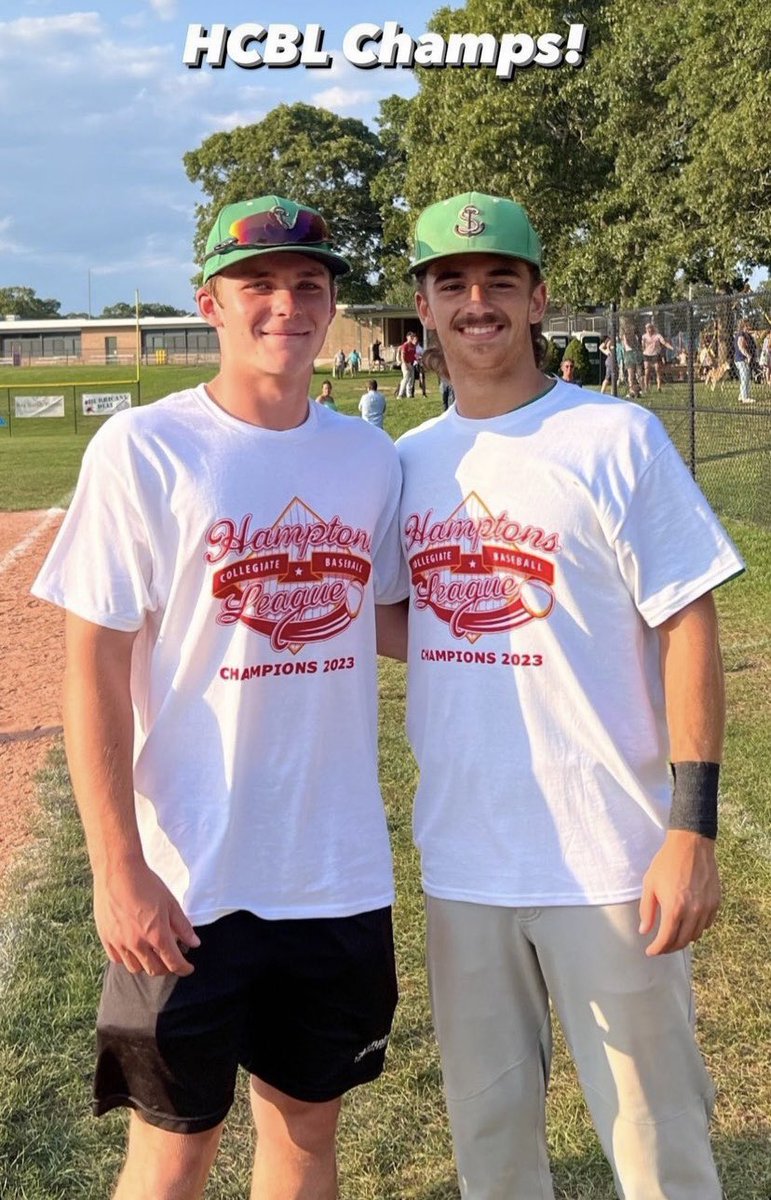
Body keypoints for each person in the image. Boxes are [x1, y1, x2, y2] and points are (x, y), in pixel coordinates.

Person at [32, 194, 407, 1200]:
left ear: (332, 307)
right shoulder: (146, 449)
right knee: (172, 1150)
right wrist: (119, 869)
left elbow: (386, 615)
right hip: (189, 877)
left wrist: (564, 626)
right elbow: (95, 666)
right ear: (213, 302)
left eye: (309, 285)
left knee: (305, 1139)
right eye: (259, 286)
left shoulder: (369, 460)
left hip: (334, 872)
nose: (286, 304)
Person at [379, 190, 743, 1200]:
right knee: (492, 1147)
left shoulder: (613, 436)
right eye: (452, 285)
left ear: (538, 299)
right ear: (425, 309)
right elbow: (394, 615)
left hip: (612, 857)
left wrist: (691, 827)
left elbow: (687, 620)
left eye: (500, 281)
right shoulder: (408, 465)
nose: (477, 303)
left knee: (658, 1145)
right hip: (464, 857)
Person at [641, 322, 674, 393]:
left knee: (657, 370)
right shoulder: (644, 336)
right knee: (647, 371)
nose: (649, 330)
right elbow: (643, 346)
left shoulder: (658, 336)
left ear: (652, 328)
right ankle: (646, 387)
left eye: (650, 328)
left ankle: (659, 387)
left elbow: (664, 342)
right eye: (647, 328)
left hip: (655, 354)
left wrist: (671, 347)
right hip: (647, 355)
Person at [734, 319, 756, 403]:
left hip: (743, 360)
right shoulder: (741, 335)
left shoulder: (746, 335)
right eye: (747, 326)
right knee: (744, 377)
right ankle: (745, 397)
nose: (749, 328)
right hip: (740, 359)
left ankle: (741, 395)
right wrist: (748, 355)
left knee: (746, 376)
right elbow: (740, 347)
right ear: (744, 326)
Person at [396, 331, 418, 398]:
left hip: (411, 364)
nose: (412, 338)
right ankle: (400, 394)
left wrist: (418, 358)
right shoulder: (405, 345)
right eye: (410, 336)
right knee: (405, 378)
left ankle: (409, 394)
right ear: (407, 337)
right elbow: (403, 356)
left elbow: (414, 355)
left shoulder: (413, 346)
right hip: (405, 363)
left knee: (411, 379)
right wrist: (405, 364)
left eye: (412, 336)